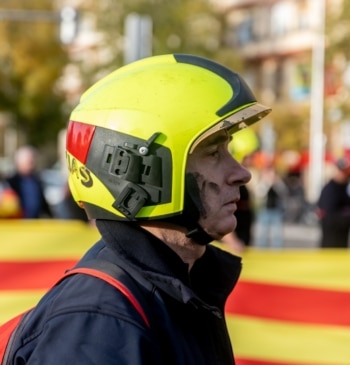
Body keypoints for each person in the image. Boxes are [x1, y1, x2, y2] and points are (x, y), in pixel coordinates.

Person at [10, 54, 271, 364]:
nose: (241, 173)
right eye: (213, 153)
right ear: (143, 171)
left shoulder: (179, 287)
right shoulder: (101, 323)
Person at [6, 145, 53, 218]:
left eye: (33, 161)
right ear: (19, 163)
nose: (32, 164)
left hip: (34, 223)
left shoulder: (37, 180)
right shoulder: (10, 182)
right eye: (29, 162)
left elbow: (43, 203)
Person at [317, 157, 350, 248]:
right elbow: (329, 215)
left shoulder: (343, 188)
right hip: (331, 240)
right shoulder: (330, 190)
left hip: (341, 239)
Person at [254, 164, 288, 248]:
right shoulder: (263, 183)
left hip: (276, 211)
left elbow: (284, 193)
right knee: (262, 233)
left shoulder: (278, 183)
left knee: (277, 234)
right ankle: (261, 250)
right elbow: (259, 194)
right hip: (264, 210)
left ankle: (277, 251)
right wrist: (267, 183)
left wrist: (277, 183)